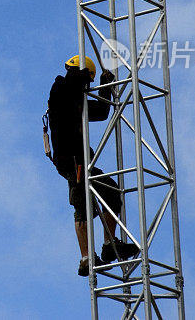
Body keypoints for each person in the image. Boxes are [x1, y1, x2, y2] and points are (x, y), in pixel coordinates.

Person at [46, 55, 139, 276]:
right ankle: (87, 258)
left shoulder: (74, 98)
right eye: (88, 80)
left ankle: (108, 247)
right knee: (83, 205)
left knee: (111, 195)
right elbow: (71, 84)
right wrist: (85, 77)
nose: (88, 85)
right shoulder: (61, 90)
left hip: (80, 161)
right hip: (72, 161)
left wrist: (105, 86)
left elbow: (100, 112)